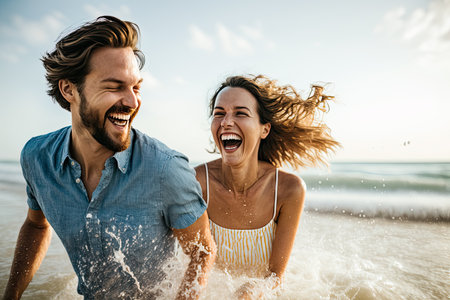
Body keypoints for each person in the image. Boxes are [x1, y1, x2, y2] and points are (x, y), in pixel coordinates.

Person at [3, 16, 215, 300]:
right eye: (115, 87)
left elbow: (203, 252)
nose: (132, 101)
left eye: (136, 87)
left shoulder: (166, 169)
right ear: (69, 90)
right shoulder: (37, 158)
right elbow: (35, 225)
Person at [195, 75, 339, 298]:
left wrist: (251, 291)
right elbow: (193, 265)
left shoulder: (288, 190)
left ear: (265, 129)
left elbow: (275, 277)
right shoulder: (196, 182)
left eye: (240, 113)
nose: (226, 122)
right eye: (219, 113)